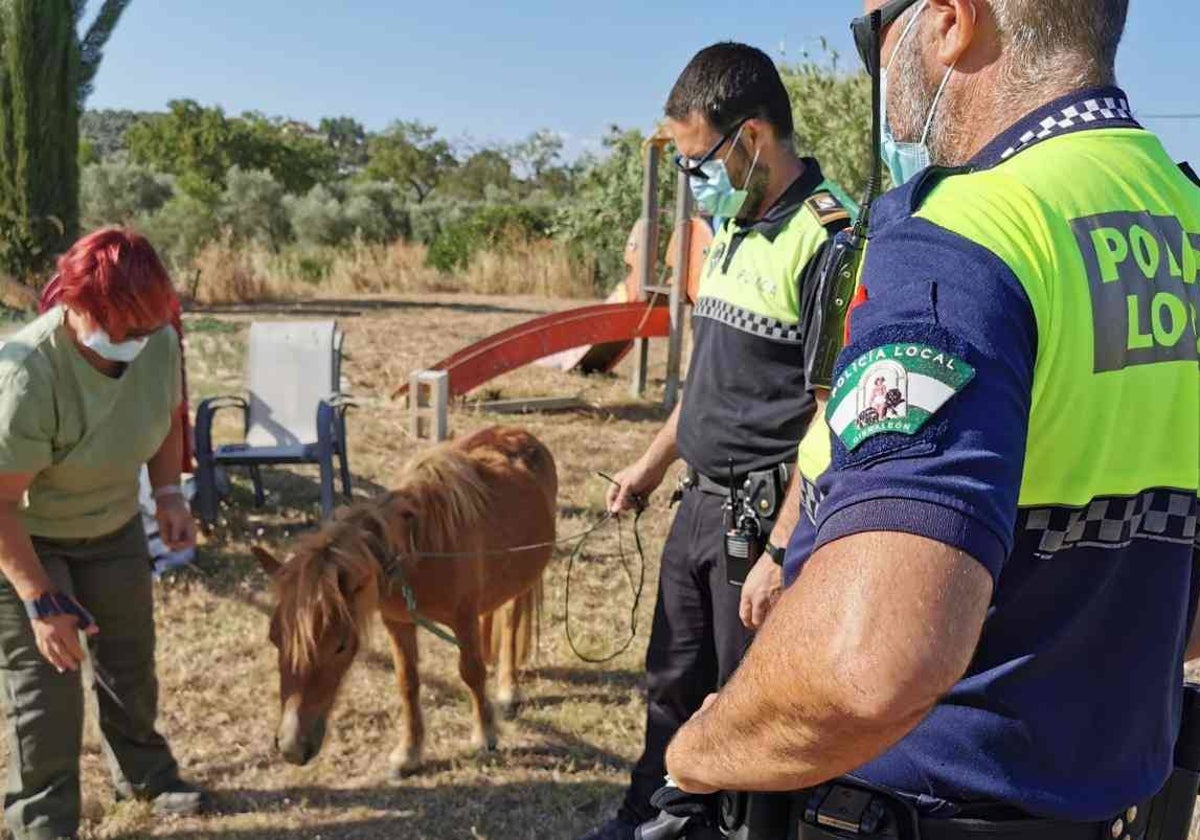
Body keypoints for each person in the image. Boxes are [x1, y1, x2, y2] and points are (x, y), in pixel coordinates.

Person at [662, 0, 1200, 837]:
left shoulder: (969, 231)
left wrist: (706, 744)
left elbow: (871, 662)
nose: (875, 65)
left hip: (919, 802)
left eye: (874, 31)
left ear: (951, 21)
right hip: (1103, 805)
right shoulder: (1184, 217)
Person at [577, 42, 855, 840]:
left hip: (761, 523)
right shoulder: (731, 226)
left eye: (702, 161)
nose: (696, 181)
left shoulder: (830, 240)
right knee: (670, 680)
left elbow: (830, 420)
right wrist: (647, 464)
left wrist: (779, 549)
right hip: (697, 506)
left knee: (750, 705)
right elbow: (708, 380)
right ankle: (651, 818)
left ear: (754, 136)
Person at [0, 228, 206, 840]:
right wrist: (41, 600)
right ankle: (43, 820)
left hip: (113, 525)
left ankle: (146, 778)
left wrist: (167, 492)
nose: (127, 342)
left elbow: (167, 418)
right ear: (77, 302)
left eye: (142, 329)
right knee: (47, 690)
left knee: (129, 663)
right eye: (116, 326)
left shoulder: (159, 343)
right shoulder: (30, 375)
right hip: (29, 535)